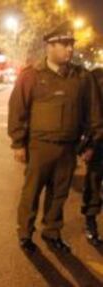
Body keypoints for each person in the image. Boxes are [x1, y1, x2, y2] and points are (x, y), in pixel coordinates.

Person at [8, 22, 103, 254]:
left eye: (71, 44)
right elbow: (17, 109)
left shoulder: (81, 77)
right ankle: (25, 234)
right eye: (64, 44)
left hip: (69, 148)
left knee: (59, 195)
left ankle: (52, 232)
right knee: (31, 193)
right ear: (49, 46)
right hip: (38, 147)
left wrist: (91, 143)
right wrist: (18, 143)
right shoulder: (31, 75)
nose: (69, 49)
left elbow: (94, 113)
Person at [80, 67, 103, 246]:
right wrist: (89, 146)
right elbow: (88, 114)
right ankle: (90, 221)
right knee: (93, 185)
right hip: (99, 144)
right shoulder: (95, 77)